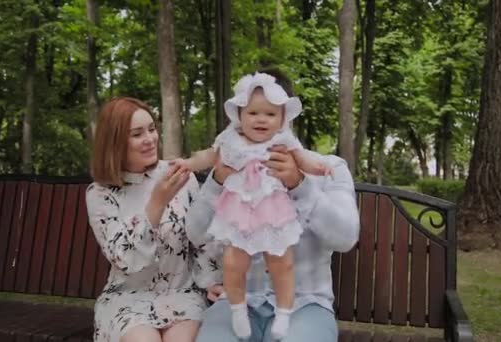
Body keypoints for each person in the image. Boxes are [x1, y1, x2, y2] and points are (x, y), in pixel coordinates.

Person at [186, 68, 360, 342]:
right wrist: (217, 180)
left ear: (284, 117)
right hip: (237, 302)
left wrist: (299, 183)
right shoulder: (230, 163)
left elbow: (345, 238)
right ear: (240, 115)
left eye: (269, 112)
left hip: (305, 304)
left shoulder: (328, 168)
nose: (261, 119)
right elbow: (195, 234)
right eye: (253, 112)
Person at [85, 97, 220, 342]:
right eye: (137, 134)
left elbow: (202, 238)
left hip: (182, 294)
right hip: (127, 298)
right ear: (114, 142)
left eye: (151, 129)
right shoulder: (101, 193)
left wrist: (212, 281)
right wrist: (156, 203)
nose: (150, 139)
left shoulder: (179, 175)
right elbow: (124, 259)